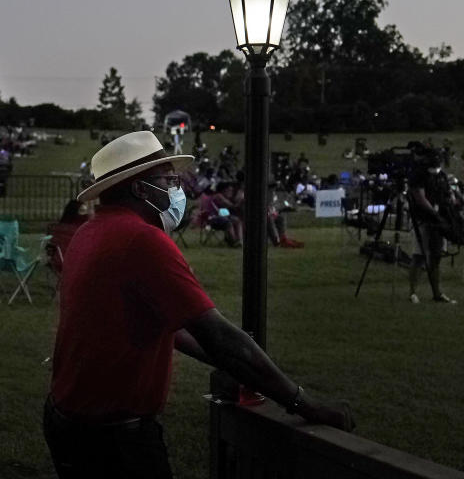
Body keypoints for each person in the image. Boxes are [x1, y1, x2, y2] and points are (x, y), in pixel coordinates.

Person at [44, 131, 354, 478]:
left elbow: (173, 329)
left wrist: (236, 369)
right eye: (167, 179)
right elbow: (218, 335)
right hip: (113, 436)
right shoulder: (142, 240)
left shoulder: (90, 232)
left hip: (68, 419)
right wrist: (303, 402)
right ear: (141, 189)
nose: (177, 188)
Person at [407, 147, 457, 304]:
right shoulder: (418, 175)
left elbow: (448, 194)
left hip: (439, 220)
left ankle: (437, 293)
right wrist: (434, 213)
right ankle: (413, 292)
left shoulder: (440, 175)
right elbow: (420, 199)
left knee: (436, 256)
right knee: (419, 256)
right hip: (422, 219)